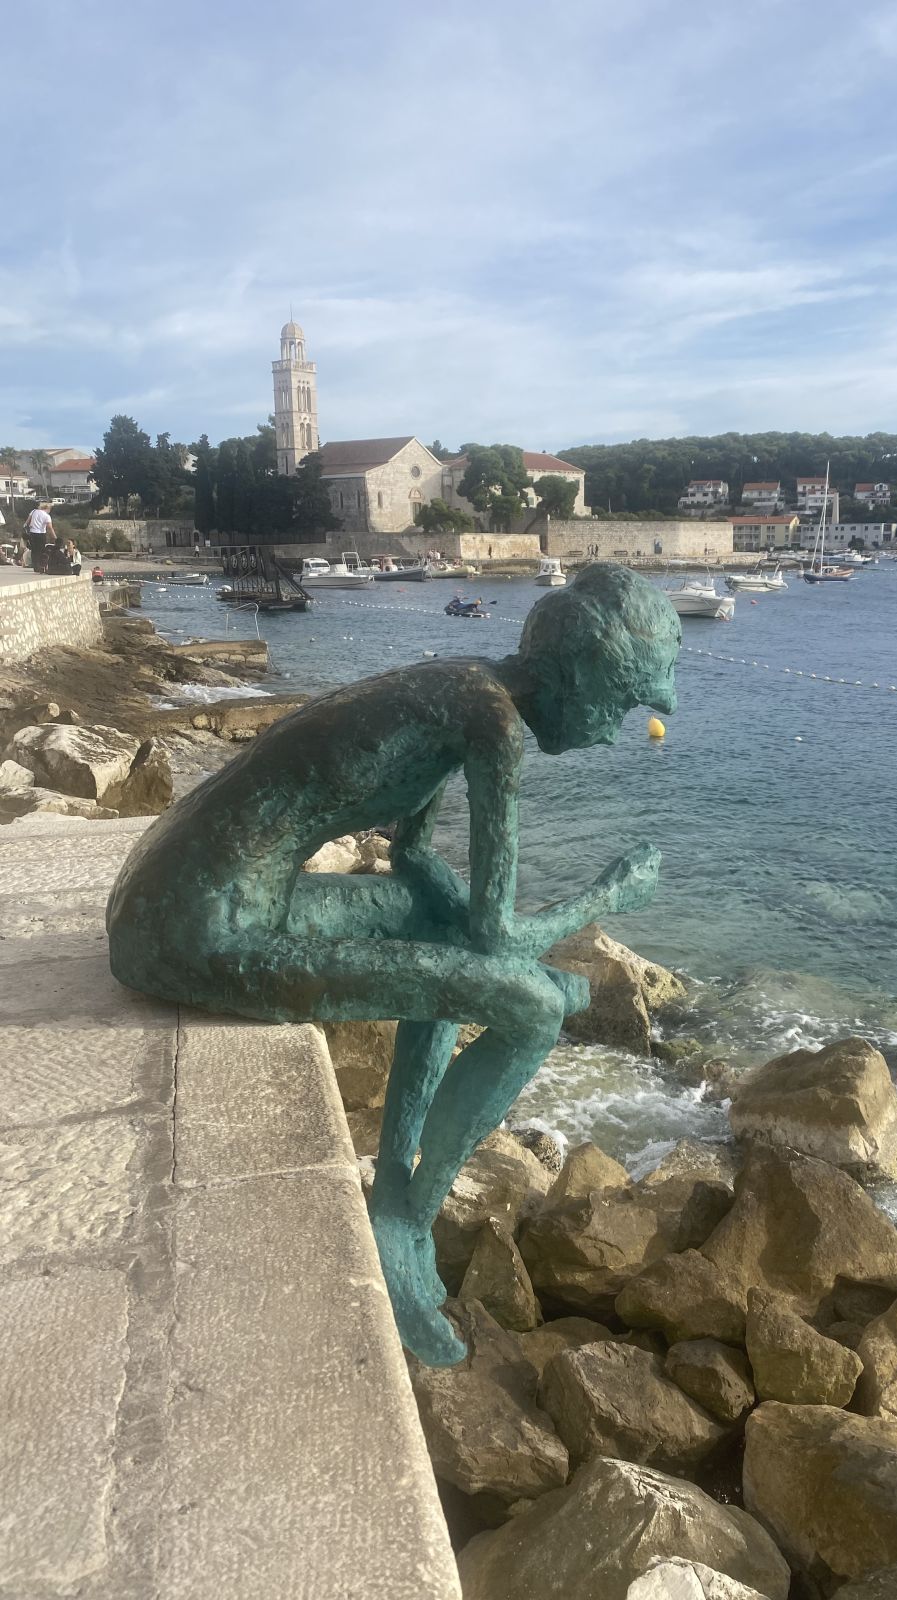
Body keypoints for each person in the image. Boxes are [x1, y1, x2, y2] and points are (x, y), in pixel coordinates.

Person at [106, 565, 681, 1363]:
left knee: (447, 930)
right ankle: (407, 1219)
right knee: (535, 1009)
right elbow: (495, 942)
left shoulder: (464, 687)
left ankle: (392, 1192)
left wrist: (478, 926)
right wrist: (607, 896)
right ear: (580, 676)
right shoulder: (496, 729)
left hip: (179, 892)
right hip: (195, 930)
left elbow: (414, 861)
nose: (618, 728)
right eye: (622, 706)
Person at [23, 503, 53, 574]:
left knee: (34, 551)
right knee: (41, 550)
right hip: (41, 534)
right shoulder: (46, 516)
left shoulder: (34, 511)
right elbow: (50, 527)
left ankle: (35, 566)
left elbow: (27, 522)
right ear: (48, 509)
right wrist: (54, 536)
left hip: (32, 533)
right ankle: (41, 566)